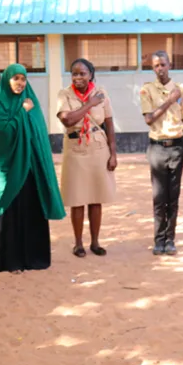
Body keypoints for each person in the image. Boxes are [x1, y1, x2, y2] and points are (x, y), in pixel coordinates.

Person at [0, 64, 65, 271]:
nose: (20, 83)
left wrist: (28, 114)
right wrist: (23, 113)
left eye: (23, 79)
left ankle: (34, 257)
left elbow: (39, 132)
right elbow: (2, 134)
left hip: (31, 168)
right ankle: (9, 260)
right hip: (12, 166)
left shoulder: (31, 101)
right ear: (7, 80)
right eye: (16, 79)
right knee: (11, 209)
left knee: (32, 210)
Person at [57, 58, 118, 258]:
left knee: (95, 197)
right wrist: (90, 104)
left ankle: (95, 242)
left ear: (90, 74)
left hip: (98, 147)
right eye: (74, 73)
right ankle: (78, 243)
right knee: (77, 198)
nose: (78, 77)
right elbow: (68, 119)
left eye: (82, 73)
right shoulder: (64, 94)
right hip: (75, 149)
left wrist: (113, 154)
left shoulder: (101, 93)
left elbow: (109, 123)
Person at [140, 51, 183, 256]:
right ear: (152, 68)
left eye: (163, 64)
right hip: (157, 147)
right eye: (156, 66)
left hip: (177, 146)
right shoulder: (147, 90)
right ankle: (158, 240)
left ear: (170, 64)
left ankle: (170, 239)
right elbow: (149, 119)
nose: (160, 69)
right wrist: (170, 101)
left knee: (173, 196)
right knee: (159, 196)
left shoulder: (182, 90)